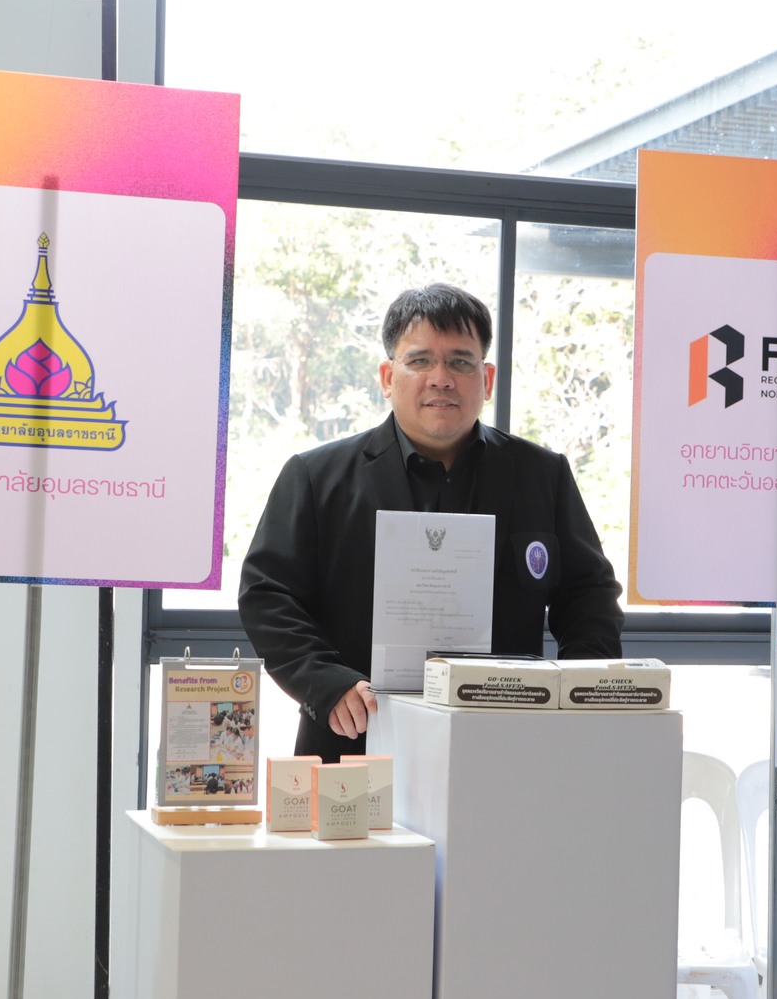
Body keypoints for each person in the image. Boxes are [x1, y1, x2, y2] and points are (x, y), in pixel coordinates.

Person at [239, 282, 623, 761]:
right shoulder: (317, 477)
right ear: (387, 377)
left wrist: (579, 690)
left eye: (460, 362)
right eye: (420, 360)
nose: (441, 378)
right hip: (356, 736)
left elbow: (589, 593)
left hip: (506, 740)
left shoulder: (542, 476)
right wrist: (324, 682)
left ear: (487, 379)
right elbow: (268, 595)